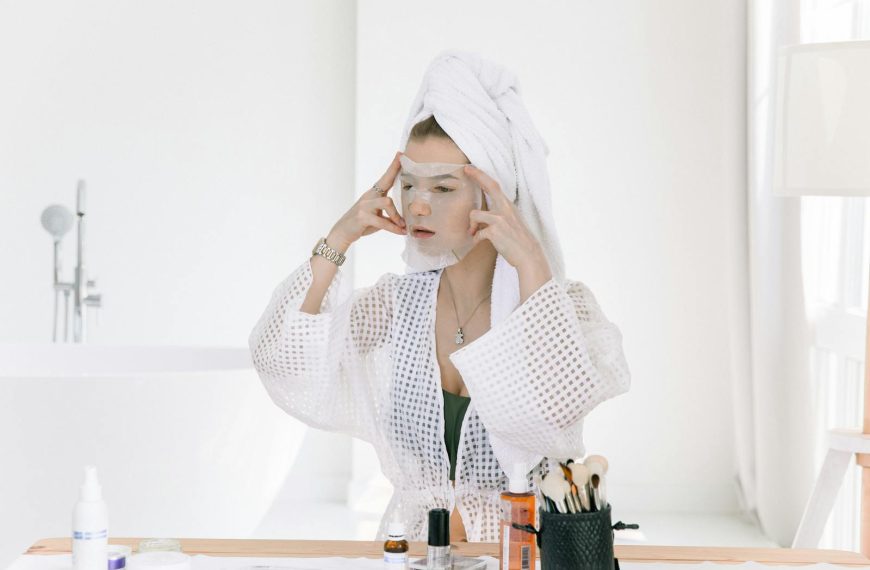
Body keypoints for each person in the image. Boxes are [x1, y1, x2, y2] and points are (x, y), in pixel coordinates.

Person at [248, 50, 631, 543]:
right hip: (415, 551)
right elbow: (281, 359)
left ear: (491, 199)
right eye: (409, 184)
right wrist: (338, 239)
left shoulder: (564, 308)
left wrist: (531, 264)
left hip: (519, 552)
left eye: (444, 187)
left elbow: (553, 418)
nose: (419, 203)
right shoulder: (397, 306)